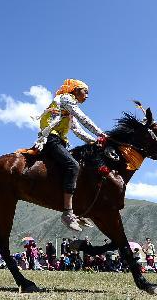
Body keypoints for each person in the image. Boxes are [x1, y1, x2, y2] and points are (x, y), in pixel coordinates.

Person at [35, 79, 110, 232]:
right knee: (73, 165)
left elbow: (77, 131)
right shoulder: (67, 99)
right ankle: (68, 213)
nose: (87, 96)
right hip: (51, 139)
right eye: (85, 91)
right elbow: (84, 119)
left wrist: (95, 141)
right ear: (75, 90)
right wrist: (102, 134)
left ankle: (76, 209)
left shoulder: (68, 108)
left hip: (60, 141)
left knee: (79, 167)